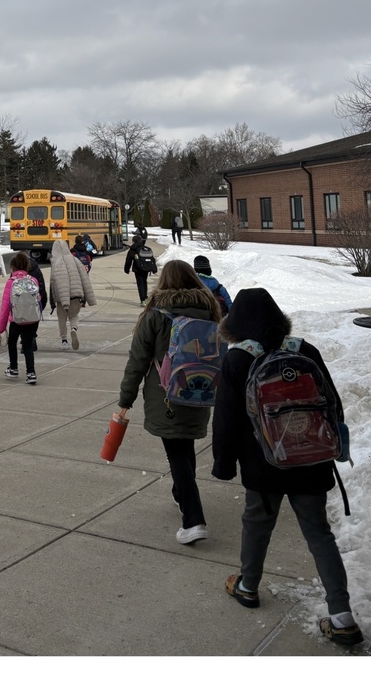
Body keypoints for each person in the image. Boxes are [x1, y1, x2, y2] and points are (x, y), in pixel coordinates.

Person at [211, 287, 364, 647]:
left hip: (263, 464)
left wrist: (224, 463)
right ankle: (342, 617)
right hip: (311, 459)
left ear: (236, 326)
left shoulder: (237, 360)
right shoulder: (304, 351)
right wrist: (336, 447)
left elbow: (226, 420)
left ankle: (248, 586)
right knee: (318, 532)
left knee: (257, 523)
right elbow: (333, 404)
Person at [115, 259, 222, 545]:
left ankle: (193, 519)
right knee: (183, 445)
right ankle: (180, 494)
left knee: (176, 450)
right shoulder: (211, 310)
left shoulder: (157, 314)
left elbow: (137, 360)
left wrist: (126, 399)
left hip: (166, 394)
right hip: (201, 390)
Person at [0, 251, 40, 384]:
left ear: (13, 267)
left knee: (12, 342)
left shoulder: (11, 283)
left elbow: (5, 307)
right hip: (32, 319)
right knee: (27, 346)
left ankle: (13, 368)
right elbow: (38, 299)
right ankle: (31, 373)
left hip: (16, 320)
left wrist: (0, 328)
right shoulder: (33, 280)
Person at [49, 238, 96, 350]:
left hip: (61, 296)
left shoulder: (55, 262)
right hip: (76, 294)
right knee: (74, 315)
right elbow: (84, 278)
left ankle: (64, 340)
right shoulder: (75, 260)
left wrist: (52, 300)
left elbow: (53, 282)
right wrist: (87, 297)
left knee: (62, 318)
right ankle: (73, 328)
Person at [25, 252, 48, 352]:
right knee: (34, 320)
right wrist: (42, 299)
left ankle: (25, 341)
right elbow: (41, 285)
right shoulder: (36, 269)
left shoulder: (16, 271)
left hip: (21, 302)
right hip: (35, 300)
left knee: (22, 320)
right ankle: (33, 336)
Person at [124, 235, 150, 306]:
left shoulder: (132, 249)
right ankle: (145, 297)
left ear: (133, 241)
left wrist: (126, 269)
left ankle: (143, 300)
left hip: (137, 269)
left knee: (140, 284)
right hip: (146, 268)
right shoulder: (145, 248)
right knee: (144, 282)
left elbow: (128, 260)